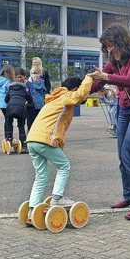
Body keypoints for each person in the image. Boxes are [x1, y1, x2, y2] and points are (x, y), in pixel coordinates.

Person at [89, 23, 130, 221]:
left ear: (121, 42)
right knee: (122, 156)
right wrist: (77, 90)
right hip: (124, 109)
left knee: (129, 154)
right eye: (107, 46)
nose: (109, 50)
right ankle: (129, 196)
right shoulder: (114, 61)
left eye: (112, 45)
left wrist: (107, 76)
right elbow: (98, 82)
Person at [23, 75, 93, 223]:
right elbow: (79, 95)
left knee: (41, 175)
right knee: (64, 166)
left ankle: (32, 210)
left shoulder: (53, 98)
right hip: (44, 139)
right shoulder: (65, 96)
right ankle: (57, 198)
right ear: (74, 88)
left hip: (32, 139)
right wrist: (89, 79)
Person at [4, 70, 33, 153]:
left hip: (10, 108)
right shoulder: (24, 90)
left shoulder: (10, 89)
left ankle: (9, 138)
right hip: (21, 108)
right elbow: (30, 99)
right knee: (21, 125)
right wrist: (29, 103)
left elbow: (6, 100)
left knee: (9, 122)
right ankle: (23, 143)